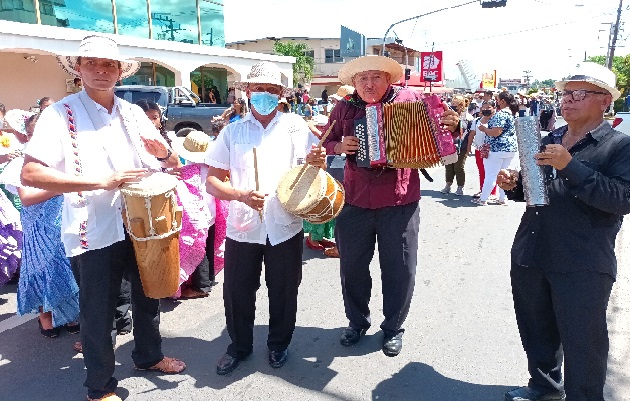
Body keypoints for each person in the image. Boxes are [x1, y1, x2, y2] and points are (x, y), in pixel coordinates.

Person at [20, 35, 184, 401]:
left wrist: (165, 153)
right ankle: (100, 387)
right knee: (98, 311)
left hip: (142, 223)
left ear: (120, 72)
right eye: (91, 63)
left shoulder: (133, 112)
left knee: (148, 296)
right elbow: (30, 176)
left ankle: (148, 355)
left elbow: (169, 163)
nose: (100, 70)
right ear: (77, 69)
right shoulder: (59, 114)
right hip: (91, 228)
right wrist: (100, 181)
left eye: (109, 64)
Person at [497, 62, 630, 401]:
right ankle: (544, 387)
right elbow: (537, 190)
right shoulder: (551, 137)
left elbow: (621, 199)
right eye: (564, 93)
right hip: (532, 249)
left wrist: (570, 166)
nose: (567, 100)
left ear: (604, 101)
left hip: (583, 259)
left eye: (578, 93)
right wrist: (514, 186)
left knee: (584, 340)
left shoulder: (619, 146)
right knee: (537, 330)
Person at [322, 56, 460, 357]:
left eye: (375, 77)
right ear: (354, 83)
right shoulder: (345, 106)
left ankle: (393, 327)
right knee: (352, 267)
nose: (369, 84)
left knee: (399, 269)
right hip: (355, 200)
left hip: (400, 200)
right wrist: (337, 147)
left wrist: (454, 125)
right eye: (362, 79)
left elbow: (445, 138)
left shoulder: (411, 99)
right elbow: (324, 141)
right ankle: (357, 322)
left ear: (388, 79)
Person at [205, 61, 325, 375]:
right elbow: (212, 181)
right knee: (237, 292)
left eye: (272, 90)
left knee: (285, 290)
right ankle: (239, 346)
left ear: (281, 93)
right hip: (243, 226)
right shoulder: (232, 131)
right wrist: (239, 195)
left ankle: (278, 344)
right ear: (247, 91)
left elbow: (313, 170)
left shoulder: (297, 126)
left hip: (285, 224)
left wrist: (318, 161)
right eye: (259, 89)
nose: (265, 95)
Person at [472, 91, 519, 206]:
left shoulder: (501, 114)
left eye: (498, 99)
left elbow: (496, 132)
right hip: (509, 148)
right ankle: (502, 198)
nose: (496, 101)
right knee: (505, 174)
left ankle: (483, 199)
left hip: (497, 149)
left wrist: (485, 130)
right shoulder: (511, 114)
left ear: (502, 101)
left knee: (491, 175)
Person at [467, 100, 498, 198]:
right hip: (479, 149)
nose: (486, 109)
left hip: (493, 150)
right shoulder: (476, 121)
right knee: (482, 170)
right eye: (484, 107)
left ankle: (492, 192)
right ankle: (482, 190)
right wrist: (468, 147)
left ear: (494, 108)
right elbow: (472, 134)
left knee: (492, 171)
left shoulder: (497, 121)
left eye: (488, 107)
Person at [440, 95, 470, 196]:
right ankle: (448, 185)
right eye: (452, 104)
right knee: (448, 166)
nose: (453, 106)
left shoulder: (467, 116)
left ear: (461, 106)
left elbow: (464, 128)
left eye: (456, 104)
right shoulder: (448, 114)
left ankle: (460, 187)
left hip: (461, 146)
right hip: (449, 145)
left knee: (459, 167)